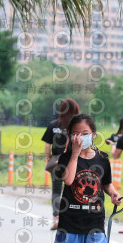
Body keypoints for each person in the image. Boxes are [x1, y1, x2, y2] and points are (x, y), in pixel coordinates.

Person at [53, 113, 121, 243]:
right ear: (70, 136)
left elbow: (106, 183)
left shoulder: (102, 158)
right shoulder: (65, 158)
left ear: (93, 134)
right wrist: (74, 154)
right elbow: (68, 180)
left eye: (84, 133)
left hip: (95, 219)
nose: (80, 137)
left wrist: (113, 193)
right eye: (75, 134)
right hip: (71, 218)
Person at [42, 98, 79, 230]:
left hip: (57, 162)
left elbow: (47, 146)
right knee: (74, 190)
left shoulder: (53, 125)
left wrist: (49, 159)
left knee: (56, 191)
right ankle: (73, 218)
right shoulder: (77, 125)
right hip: (73, 161)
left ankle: (57, 218)